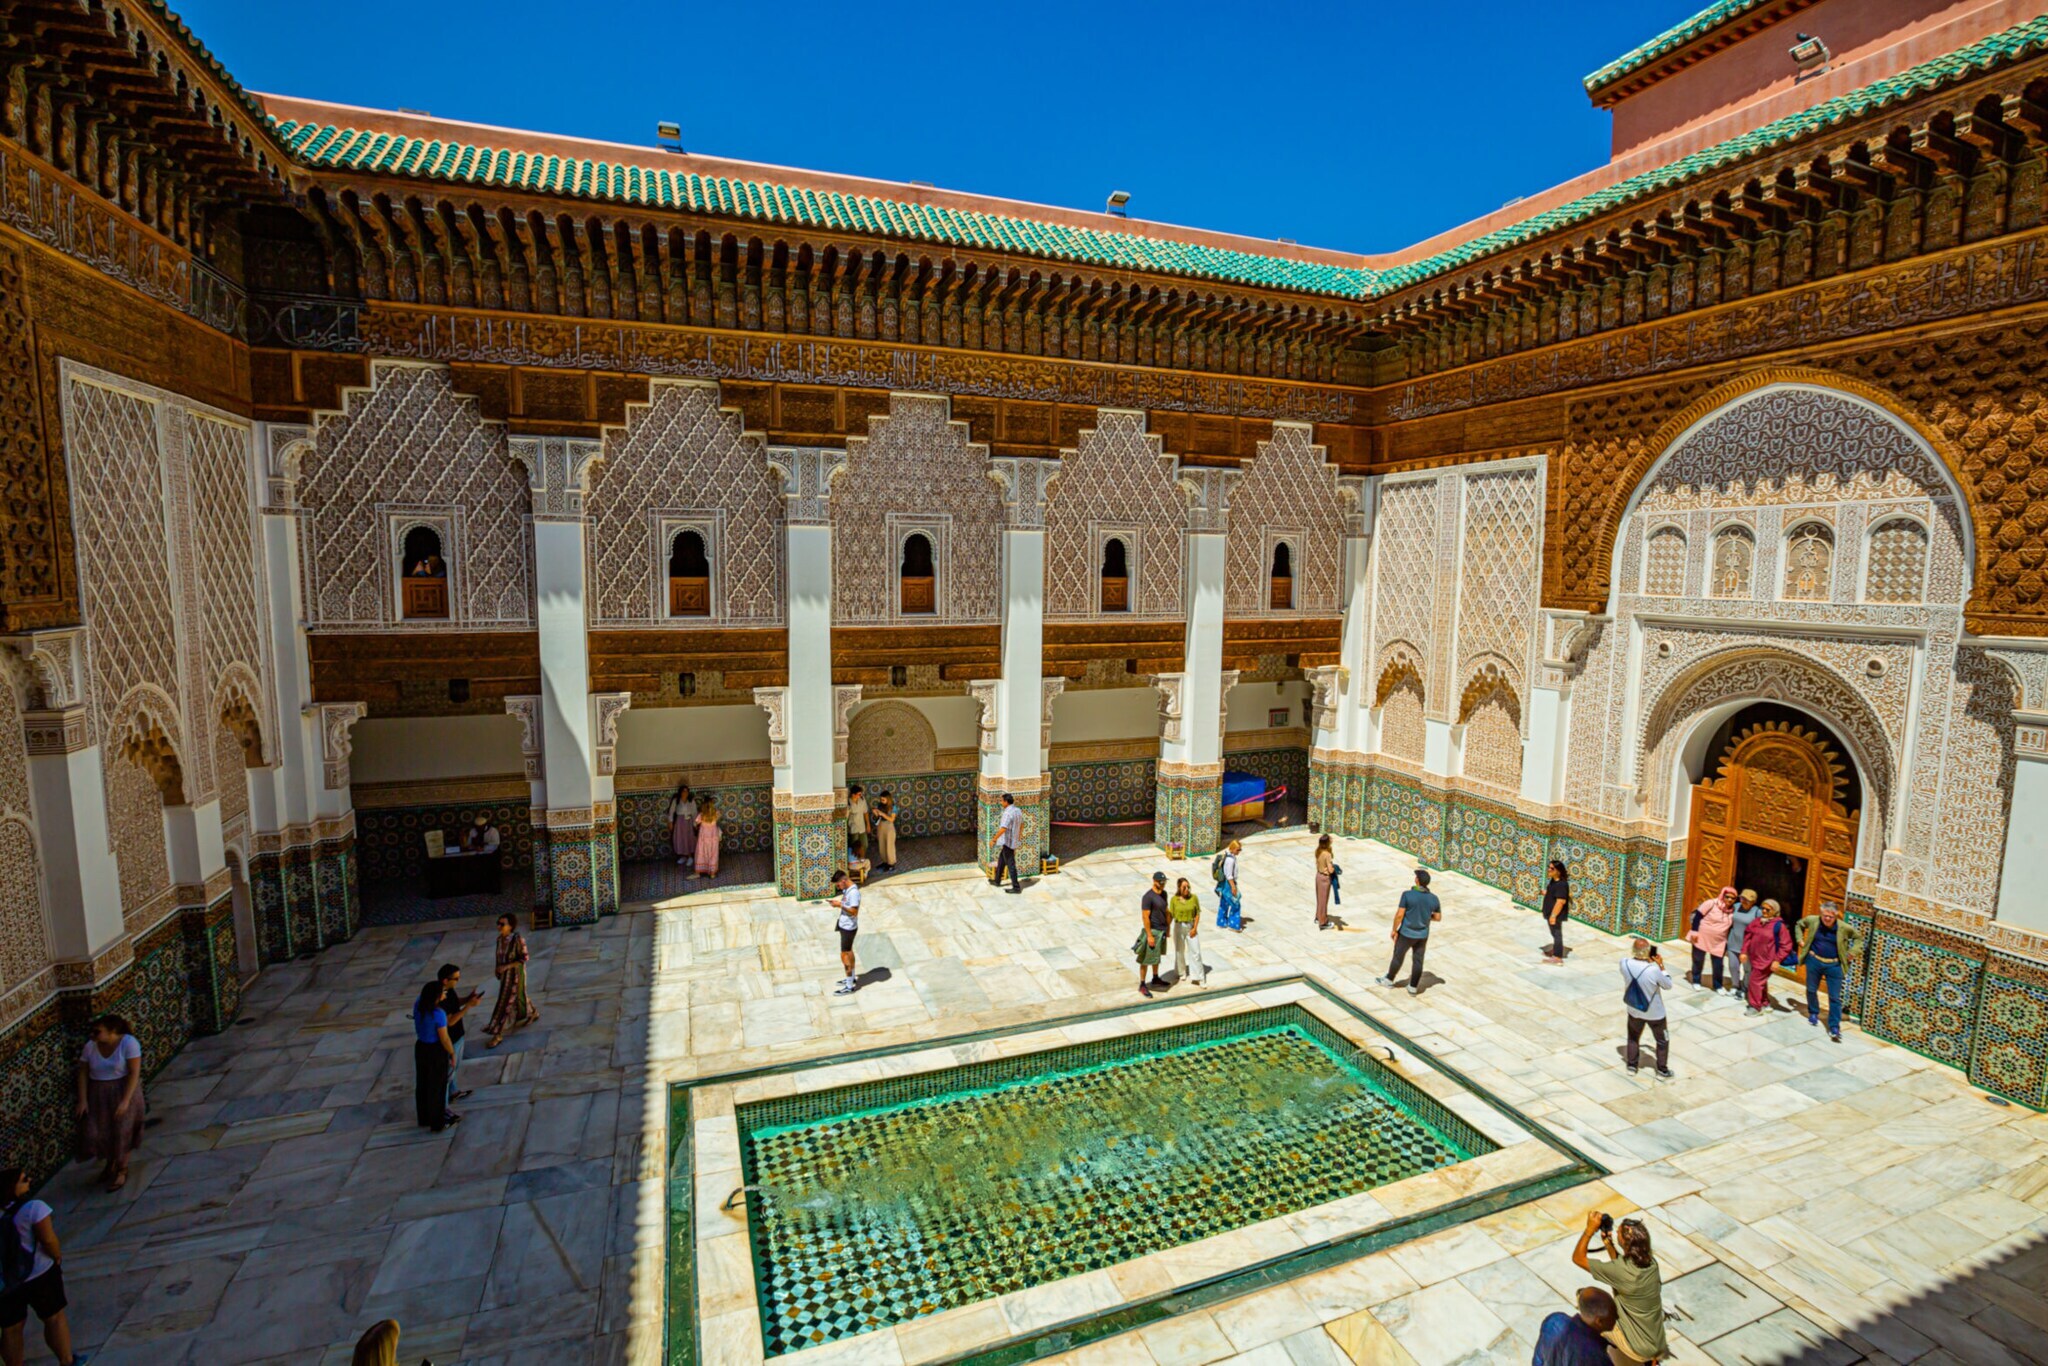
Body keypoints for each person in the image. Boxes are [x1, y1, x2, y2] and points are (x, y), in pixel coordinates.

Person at [0, 1167, 84, 1366]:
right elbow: (48, 1239)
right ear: (12, 1187)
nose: (29, 1180)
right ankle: (67, 1361)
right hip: (40, 1274)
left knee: (11, 1328)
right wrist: (57, 1256)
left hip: (6, 1282)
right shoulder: (34, 1208)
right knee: (54, 1318)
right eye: (23, 1179)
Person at [1571, 1211, 1668, 1365]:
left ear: (1625, 1243)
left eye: (1618, 1233)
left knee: (1588, 1304)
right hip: (1653, 1340)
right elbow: (1621, 1266)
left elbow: (1578, 1258)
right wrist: (1608, 1243)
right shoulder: (1650, 1264)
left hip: (1636, 1348)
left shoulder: (1622, 1273)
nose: (1616, 1232)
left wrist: (1589, 1230)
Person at [74, 1014, 141, 1192]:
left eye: (98, 1032)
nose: (94, 1036)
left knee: (122, 1130)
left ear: (112, 1032)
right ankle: (110, 1161)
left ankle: (122, 1168)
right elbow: (83, 1072)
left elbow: (134, 1072)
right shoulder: (91, 1047)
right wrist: (83, 1100)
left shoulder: (128, 1043)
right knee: (98, 1132)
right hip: (99, 1092)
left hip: (122, 1089)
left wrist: (126, 1101)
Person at [1797, 900, 1861, 1042]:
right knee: (1811, 989)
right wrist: (1800, 940)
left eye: (1830, 917)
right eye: (1824, 915)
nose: (1826, 919)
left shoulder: (1843, 928)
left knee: (1834, 997)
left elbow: (1858, 939)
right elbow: (1799, 924)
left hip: (1834, 965)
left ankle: (1834, 1026)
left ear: (1836, 916)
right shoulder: (1814, 921)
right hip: (1814, 960)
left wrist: (1852, 952)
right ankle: (1813, 1012)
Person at [1376, 869, 1439, 995]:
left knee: (1398, 956)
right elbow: (1437, 917)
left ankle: (1389, 979)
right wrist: (1426, 917)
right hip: (1422, 935)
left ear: (1417, 880)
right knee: (1418, 960)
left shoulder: (1407, 895)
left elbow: (1400, 915)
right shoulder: (1434, 898)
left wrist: (1394, 929)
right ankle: (1413, 987)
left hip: (1406, 933)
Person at [1620, 939, 1674, 1079]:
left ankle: (1632, 1066)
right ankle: (1662, 1070)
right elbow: (1668, 985)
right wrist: (1661, 965)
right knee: (1662, 1040)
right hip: (1655, 1013)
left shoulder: (1624, 963)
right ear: (1648, 951)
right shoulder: (1653, 970)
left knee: (1633, 1037)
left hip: (1634, 1009)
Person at [485, 913, 538, 1046]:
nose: (499, 926)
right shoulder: (499, 940)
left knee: (505, 1003)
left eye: (502, 924)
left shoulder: (517, 939)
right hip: (505, 976)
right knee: (519, 996)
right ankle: (533, 1012)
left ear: (510, 926)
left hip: (515, 975)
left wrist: (506, 966)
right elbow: (499, 957)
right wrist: (498, 969)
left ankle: (498, 1034)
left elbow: (524, 958)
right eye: (498, 923)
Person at [436, 963, 484, 1109]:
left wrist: (467, 999)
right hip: (451, 1038)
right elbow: (450, 1021)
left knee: (455, 1068)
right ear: (445, 980)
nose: (458, 981)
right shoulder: (440, 997)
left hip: (459, 1035)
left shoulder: (449, 991)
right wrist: (469, 1006)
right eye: (455, 979)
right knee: (449, 1071)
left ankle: (453, 1091)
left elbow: (455, 1002)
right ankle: (443, 1108)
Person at [412, 980, 457, 1132]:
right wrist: (452, 1053)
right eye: (443, 992)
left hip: (421, 1047)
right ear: (437, 997)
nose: (445, 994)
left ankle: (424, 1117)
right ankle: (438, 1122)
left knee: (423, 1083)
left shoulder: (419, 1004)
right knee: (437, 1086)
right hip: (435, 1051)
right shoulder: (438, 1014)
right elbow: (444, 1038)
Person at [1532, 1287, 1620, 1366]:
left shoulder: (1554, 1320)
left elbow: (1538, 1359)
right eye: (1613, 1314)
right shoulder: (1596, 1357)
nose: (1617, 1317)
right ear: (1599, 1321)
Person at [1742, 900, 1793, 1014]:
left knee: (1754, 981)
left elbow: (1786, 945)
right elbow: (1748, 936)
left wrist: (1777, 960)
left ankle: (1755, 1007)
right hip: (1755, 958)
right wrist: (1744, 951)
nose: (1764, 911)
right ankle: (1765, 1003)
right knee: (1760, 982)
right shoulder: (1757, 922)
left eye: (1767, 909)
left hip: (1767, 961)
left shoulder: (1779, 926)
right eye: (1762, 908)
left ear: (1774, 911)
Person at [1685, 886, 1735, 991]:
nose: (1729, 900)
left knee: (1718, 964)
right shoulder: (1711, 903)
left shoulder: (1733, 911)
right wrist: (1694, 931)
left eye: (1733, 898)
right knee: (1698, 960)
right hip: (1702, 937)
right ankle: (1696, 980)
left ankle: (1718, 985)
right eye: (1727, 897)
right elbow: (1698, 916)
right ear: (1723, 896)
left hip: (1719, 941)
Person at [826, 869, 860, 995]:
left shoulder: (854, 893)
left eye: (839, 885)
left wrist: (839, 905)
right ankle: (851, 978)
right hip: (844, 924)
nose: (839, 888)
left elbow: (854, 911)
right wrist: (838, 903)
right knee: (849, 951)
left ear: (844, 880)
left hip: (848, 927)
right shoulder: (848, 890)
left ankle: (849, 985)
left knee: (844, 954)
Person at [1136, 872, 1171, 996]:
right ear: (1154, 881)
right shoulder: (1148, 897)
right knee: (1145, 959)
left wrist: (1168, 928)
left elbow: (1166, 911)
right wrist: (1149, 935)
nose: (1162, 885)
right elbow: (1145, 917)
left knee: (1156, 957)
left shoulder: (1164, 894)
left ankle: (1155, 978)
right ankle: (1142, 984)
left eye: (1164, 882)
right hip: (1153, 931)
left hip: (1161, 930)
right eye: (1161, 882)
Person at [1168, 876, 1205, 987]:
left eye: (1188, 887)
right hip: (1179, 926)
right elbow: (1171, 915)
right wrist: (1167, 928)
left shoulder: (1194, 898)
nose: (1187, 889)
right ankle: (1181, 972)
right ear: (1179, 888)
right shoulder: (1174, 900)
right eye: (1184, 887)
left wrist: (1195, 928)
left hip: (1190, 926)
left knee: (1196, 951)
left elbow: (1197, 913)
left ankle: (1199, 977)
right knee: (1179, 950)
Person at [1726, 889, 1762, 1001]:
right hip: (1733, 942)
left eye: (1747, 900)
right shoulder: (1736, 906)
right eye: (1742, 898)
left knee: (1747, 970)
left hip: (1748, 947)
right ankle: (1735, 985)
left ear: (1753, 901)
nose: (1743, 901)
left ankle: (1744, 988)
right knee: (1733, 966)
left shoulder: (1757, 912)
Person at [990, 792, 1023, 893]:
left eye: (1002, 801)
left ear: (1006, 802)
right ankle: (997, 880)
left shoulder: (1007, 813)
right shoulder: (1018, 810)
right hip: (1012, 841)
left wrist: (993, 839)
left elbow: (1003, 828)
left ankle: (1016, 887)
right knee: (1001, 860)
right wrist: (1018, 838)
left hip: (1008, 842)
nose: (1001, 803)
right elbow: (1022, 825)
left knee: (1011, 865)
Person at [1541, 861, 1572, 964]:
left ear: (1558, 871)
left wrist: (1553, 915)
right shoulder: (1554, 881)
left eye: (1552, 868)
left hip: (1555, 914)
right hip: (1550, 912)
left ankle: (1558, 957)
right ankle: (1556, 949)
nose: (1549, 870)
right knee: (1554, 933)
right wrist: (1546, 893)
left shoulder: (1561, 885)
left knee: (1557, 933)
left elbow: (1561, 901)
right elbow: (1554, 894)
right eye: (1549, 867)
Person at [1214, 840, 1243, 931]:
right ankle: (1233, 924)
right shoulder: (1230, 860)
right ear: (1233, 849)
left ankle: (1222, 922)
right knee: (1235, 903)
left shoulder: (1229, 857)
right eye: (1238, 850)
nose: (1239, 852)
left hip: (1225, 883)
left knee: (1225, 902)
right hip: (1229, 884)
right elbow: (1229, 875)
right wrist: (1233, 887)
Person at [668, 782, 698, 867]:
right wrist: (670, 822)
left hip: (689, 822)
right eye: (683, 791)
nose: (685, 793)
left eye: (686, 791)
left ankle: (690, 857)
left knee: (688, 838)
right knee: (680, 838)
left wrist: (695, 824)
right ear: (680, 792)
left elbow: (694, 813)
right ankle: (683, 856)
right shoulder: (676, 800)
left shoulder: (691, 801)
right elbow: (671, 811)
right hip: (680, 822)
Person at [695, 798, 722, 878]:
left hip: (703, 837)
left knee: (702, 852)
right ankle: (712, 873)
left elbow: (695, 823)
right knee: (713, 853)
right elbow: (718, 817)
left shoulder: (701, 815)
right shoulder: (716, 813)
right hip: (713, 836)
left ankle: (700, 870)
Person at [1313, 835, 1335, 930]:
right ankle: (1323, 922)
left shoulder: (1318, 851)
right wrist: (1334, 869)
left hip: (1318, 876)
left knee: (1319, 899)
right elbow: (1330, 870)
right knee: (1324, 900)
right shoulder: (1327, 854)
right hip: (1325, 879)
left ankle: (1318, 916)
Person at [872, 790, 898, 870]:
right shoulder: (880, 805)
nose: (882, 801)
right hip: (881, 826)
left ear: (888, 799)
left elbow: (891, 819)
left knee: (889, 846)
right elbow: (878, 817)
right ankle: (885, 862)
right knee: (882, 845)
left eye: (883, 800)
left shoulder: (893, 807)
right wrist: (876, 812)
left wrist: (882, 813)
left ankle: (891, 864)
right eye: (881, 799)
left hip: (889, 827)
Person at [846, 784, 870, 864]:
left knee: (864, 844)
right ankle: (854, 862)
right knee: (854, 846)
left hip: (861, 827)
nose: (860, 795)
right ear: (853, 794)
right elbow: (846, 817)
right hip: (853, 828)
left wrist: (868, 825)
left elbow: (865, 812)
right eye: (859, 794)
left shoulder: (862, 800)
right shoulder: (848, 803)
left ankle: (862, 860)